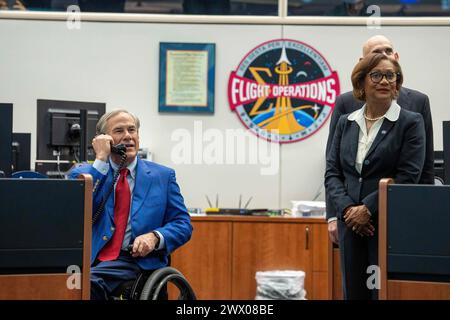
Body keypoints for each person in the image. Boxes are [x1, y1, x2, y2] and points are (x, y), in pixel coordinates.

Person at [325, 53, 425, 299]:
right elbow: (332, 173)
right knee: (354, 293)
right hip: (349, 225)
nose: (385, 81)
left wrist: (366, 210)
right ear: (361, 83)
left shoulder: (410, 122)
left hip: (384, 225)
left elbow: (408, 176)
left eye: (391, 76)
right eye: (377, 75)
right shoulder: (345, 122)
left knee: (380, 292)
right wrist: (349, 210)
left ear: (397, 83)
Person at [69, 109, 192, 300]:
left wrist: (155, 237)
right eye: (119, 131)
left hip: (134, 260)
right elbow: (76, 214)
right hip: (91, 258)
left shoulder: (163, 176)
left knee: (86, 283)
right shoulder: (84, 174)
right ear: (104, 139)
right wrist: (101, 160)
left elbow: (183, 224)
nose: (128, 136)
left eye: (132, 130)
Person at [325, 35, 434, 245]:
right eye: (376, 54)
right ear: (362, 67)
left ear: (397, 57)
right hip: (349, 219)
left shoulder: (418, 103)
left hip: (397, 213)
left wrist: (425, 212)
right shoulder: (346, 106)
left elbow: (424, 167)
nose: (384, 56)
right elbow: (334, 169)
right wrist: (336, 214)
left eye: (388, 51)